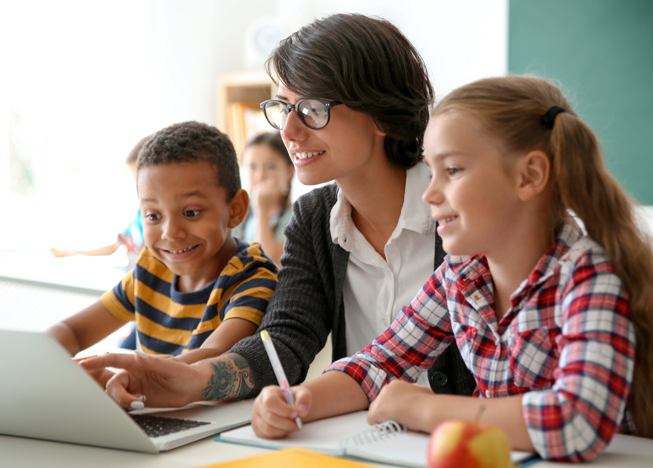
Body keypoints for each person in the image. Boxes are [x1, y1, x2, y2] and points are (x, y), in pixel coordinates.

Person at [250, 75, 653, 462]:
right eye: (432, 172)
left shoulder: (587, 275)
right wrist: (299, 400)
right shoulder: (462, 273)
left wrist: (426, 407)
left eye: (452, 171)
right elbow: (377, 364)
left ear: (530, 176)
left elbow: (577, 420)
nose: (430, 194)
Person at [81, 13, 475, 409]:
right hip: (362, 438)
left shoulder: (464, 211)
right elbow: (285, 340)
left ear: (381, 111)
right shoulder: (316, 218)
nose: (288, 131)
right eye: (284, 107)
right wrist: (193, 379)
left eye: (312, 108)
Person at [48, 121, 279, 392]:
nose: (171, 233)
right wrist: (43, 355)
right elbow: (73, 332)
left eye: (191, 212)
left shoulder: (252, 276)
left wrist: (125, 379)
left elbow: (214, 354)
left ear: (236, 209)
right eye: (153, 216)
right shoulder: (150, 270)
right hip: (153, 418)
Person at [50, 134, 151, 262]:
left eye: (139, 176)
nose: (137, 183)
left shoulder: (156, 220)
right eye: (134, 177)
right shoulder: (138, 217)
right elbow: (113, 247)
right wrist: (72, 252)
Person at [234, 131, 294, 265]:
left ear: (289, 171)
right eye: (252, 167)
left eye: (270, 167)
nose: (260, 176)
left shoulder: (295, 219)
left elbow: (266, 261)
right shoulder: (239, 217)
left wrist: (262, 210)